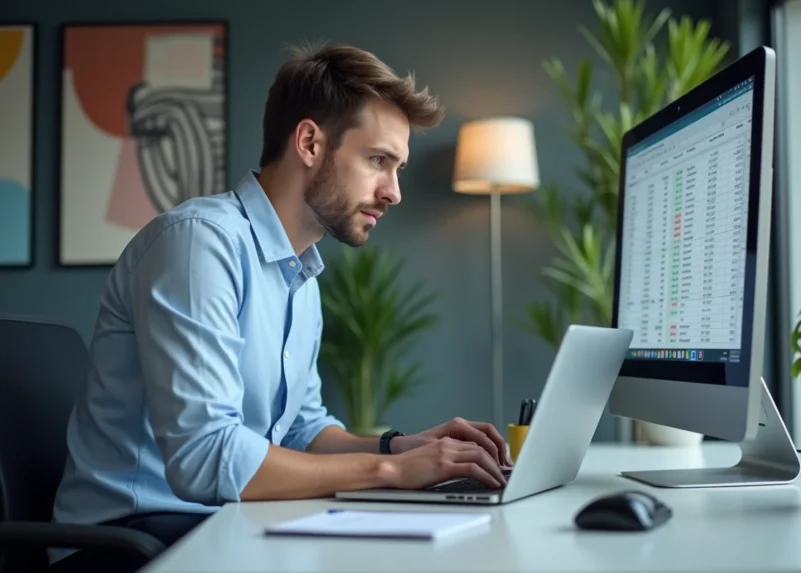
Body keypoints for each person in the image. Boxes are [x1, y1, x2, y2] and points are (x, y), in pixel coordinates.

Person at [50, 43, 512, 572]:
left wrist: (400, 448)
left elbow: (302, 433)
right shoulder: (200, 243)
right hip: (131, 544)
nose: (394, 192)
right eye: (378, 161)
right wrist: (389, 474)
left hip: (215, 525)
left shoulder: (300, 272)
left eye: (397, 167)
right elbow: (205, 460)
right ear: (310, 142)